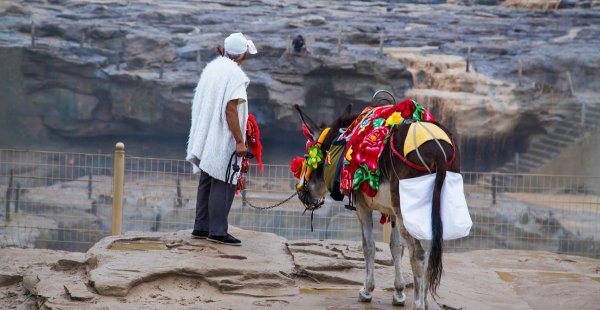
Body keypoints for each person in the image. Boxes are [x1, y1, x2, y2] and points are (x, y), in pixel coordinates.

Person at [186, 32, 257, 246]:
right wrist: (239, 141)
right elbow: (231, 109)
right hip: (222, 136)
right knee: (224, 179)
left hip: (207, 133)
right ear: (242, 55)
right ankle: (217, 231)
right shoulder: (235, 75)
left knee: (207, 177)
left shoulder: (213, 68)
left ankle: (201, 226)